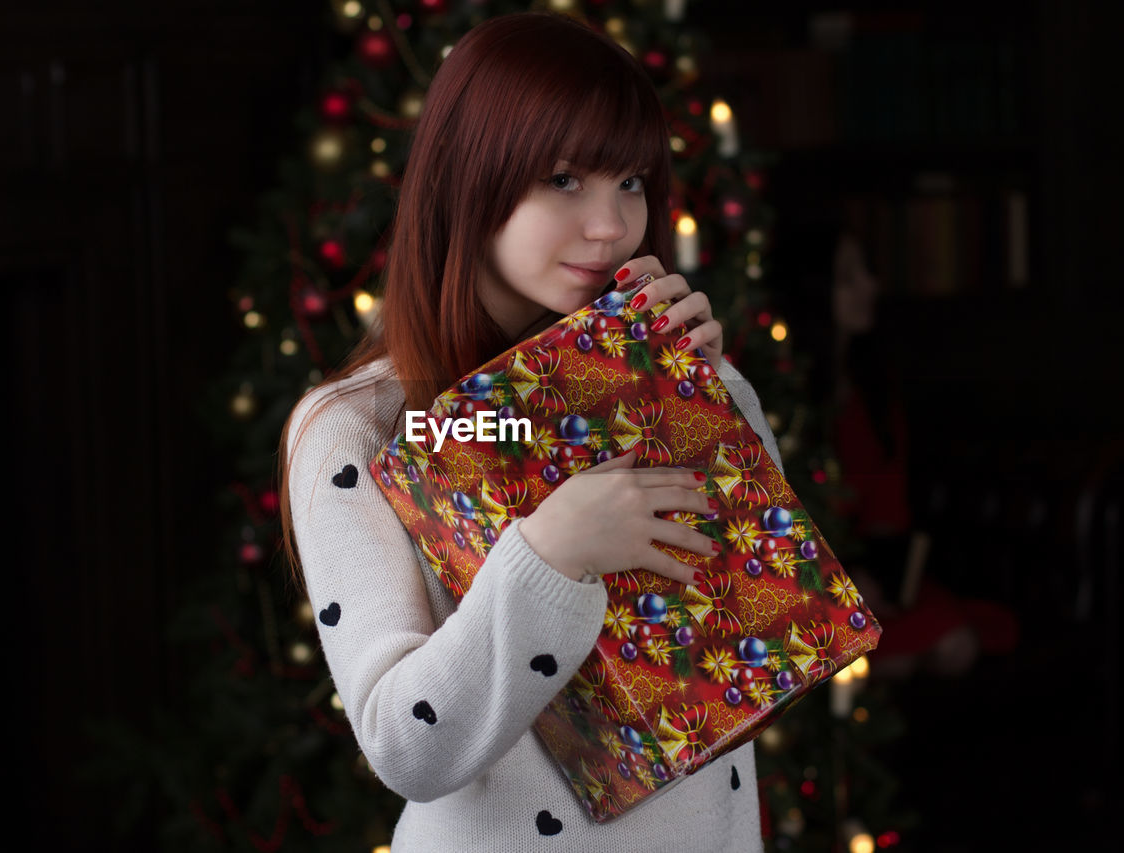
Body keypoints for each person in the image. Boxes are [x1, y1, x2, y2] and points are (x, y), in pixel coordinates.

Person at [278, 13, 779, 851]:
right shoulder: (355, 430)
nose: (612, 225)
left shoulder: (677, 368)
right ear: (469, 179)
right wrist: (547, 555)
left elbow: (758, 649)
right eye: (562, 179)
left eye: (630, 181)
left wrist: (707, 402)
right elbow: (404, 745)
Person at [776, 217, 1018, 680]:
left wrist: (883, 572)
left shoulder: (873, 392)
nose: (871, 284)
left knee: (957, 638)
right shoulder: (790, 404)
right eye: (849, 277)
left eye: (866, 270)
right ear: (816, 291)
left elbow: (890, 509)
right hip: (809, 589)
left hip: (877, 582)